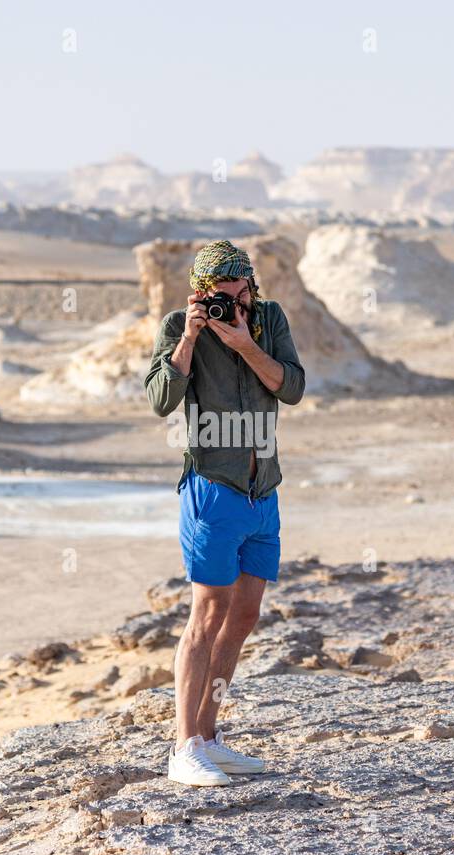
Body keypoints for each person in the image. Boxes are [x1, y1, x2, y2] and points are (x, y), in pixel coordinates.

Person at [144, 240, 305, 786]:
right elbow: (162, 400)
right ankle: (183, 747)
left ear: (250, 285)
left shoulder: (268, 319)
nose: (231, 305)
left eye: (239, 293)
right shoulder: (179, 326)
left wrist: (245, 342)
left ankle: (210, 739)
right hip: (213, 490)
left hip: (265, 491)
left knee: (244, 617)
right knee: (206, 617)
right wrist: (192, 337)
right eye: (219, 297)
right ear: (200, 294)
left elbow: (293, 387)